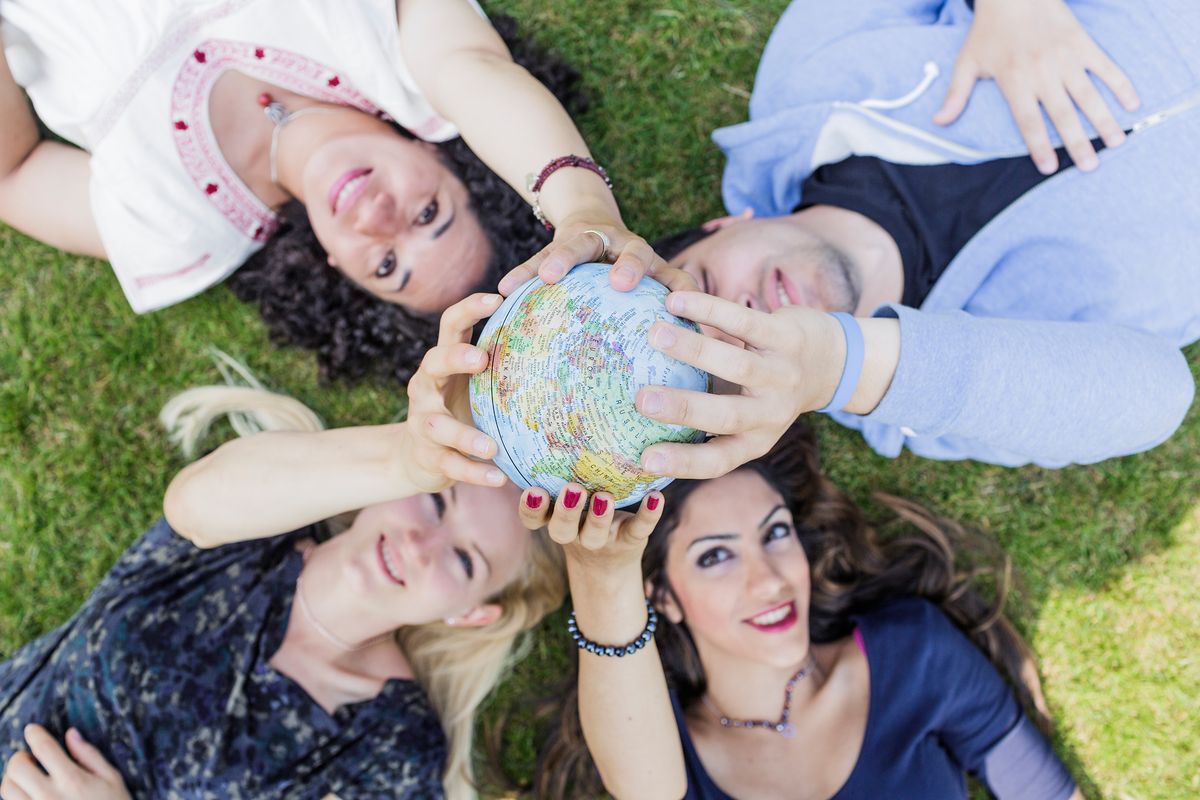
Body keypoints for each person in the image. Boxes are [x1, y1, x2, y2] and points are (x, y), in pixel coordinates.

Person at [578, 0, 1198, 476]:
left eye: (707, 289)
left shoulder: (811, 88)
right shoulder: (928, 410)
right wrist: (844, 366)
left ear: (724, 224)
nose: (740, 318)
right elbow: (1157, 396)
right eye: (732, 359)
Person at [0, 293, 563, 799]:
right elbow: (191, 507)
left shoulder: (389, 749)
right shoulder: (260, 531)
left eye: (464, 560)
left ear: (471, 612)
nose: (421, 544)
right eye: (437, 500)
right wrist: (403, 458)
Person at [0, 0, 662, 383]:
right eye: (429, 212)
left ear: (336, 270)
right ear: (446, 153)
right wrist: (581, 209)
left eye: (385, 266)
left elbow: (14, 174)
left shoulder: (184, 228)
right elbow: (479, 72)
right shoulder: (399, 54)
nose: (381, 219)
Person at [523, 423, 1080, 800]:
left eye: (776, 533)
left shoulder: (914, 652)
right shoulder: (671, 756)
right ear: (662, 595)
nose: (768, 580)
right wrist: (603, 574)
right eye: (715, 556)